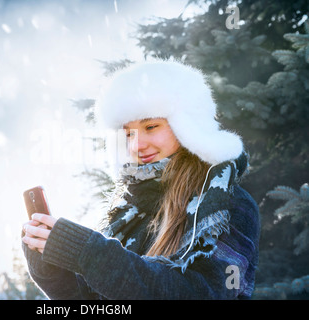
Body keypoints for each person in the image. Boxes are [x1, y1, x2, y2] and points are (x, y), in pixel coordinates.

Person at [21, 60, 260, 299]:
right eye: (129, 133)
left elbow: (203, 293)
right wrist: (50, 267)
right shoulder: (132, 209)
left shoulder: (227, 205)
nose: (137, 145)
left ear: (188, 126)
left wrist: (89, 251)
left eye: (151, 127)